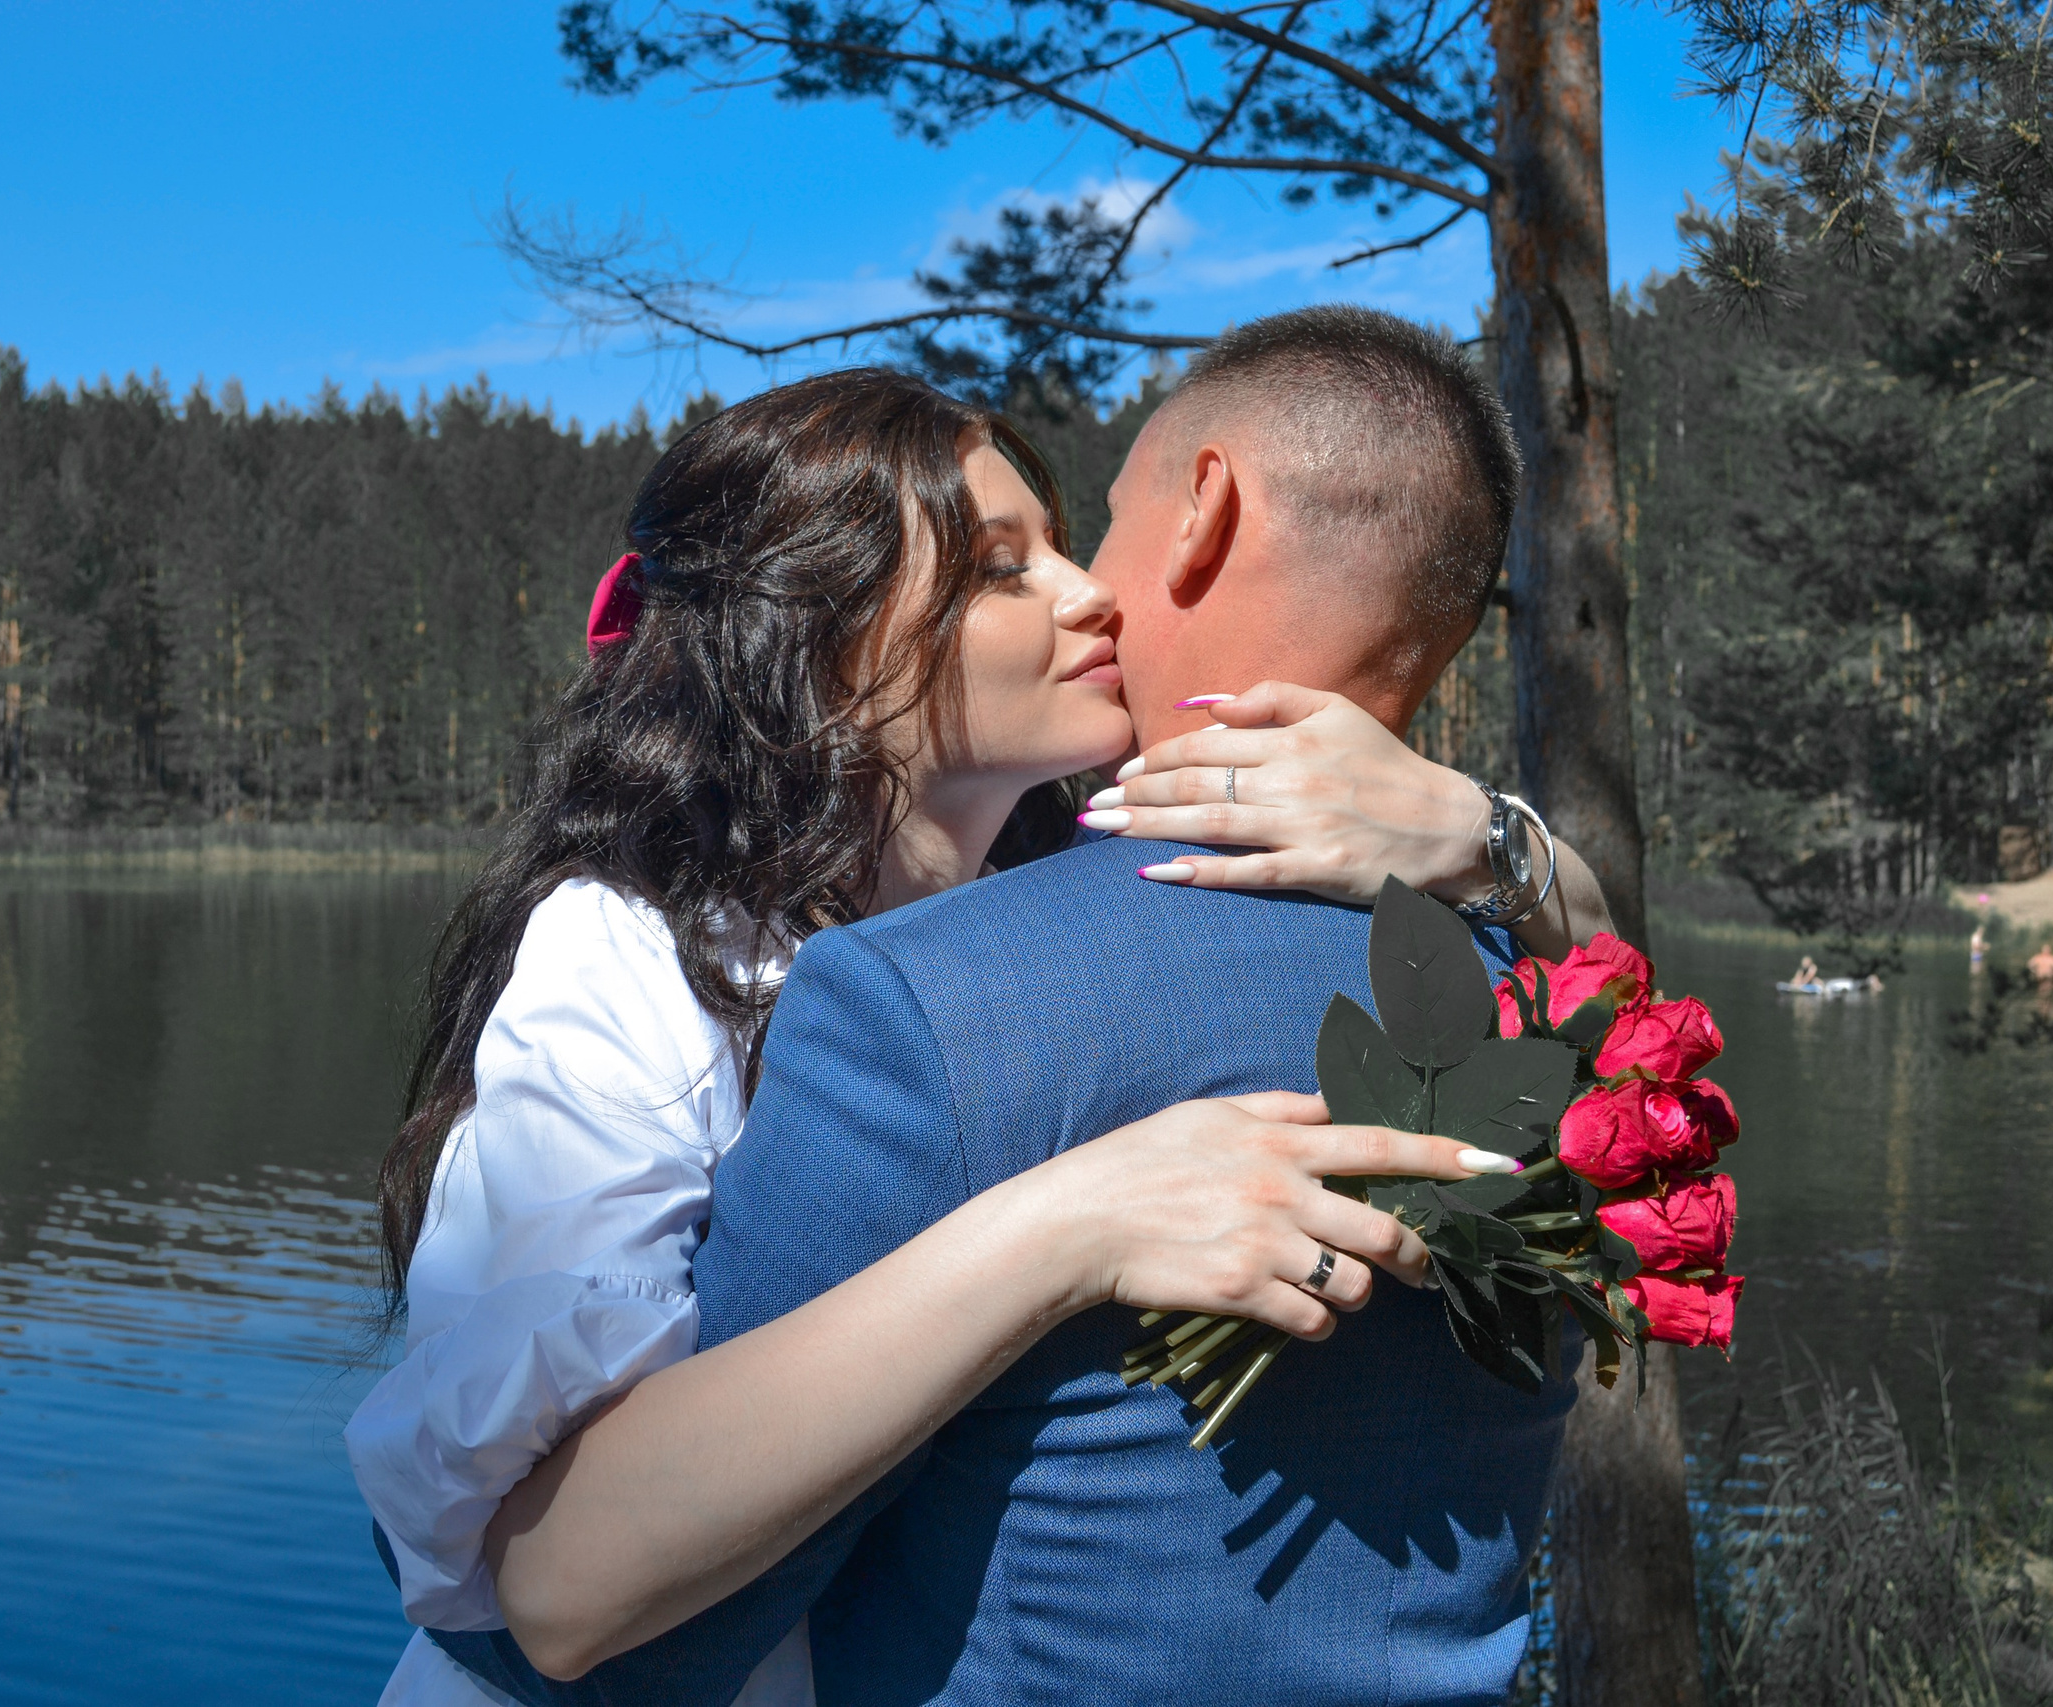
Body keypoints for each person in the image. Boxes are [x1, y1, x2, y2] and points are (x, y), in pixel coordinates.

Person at [345, 364, 1611, 1707]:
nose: (1088, 595)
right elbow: (548, 1584)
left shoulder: (1032, 930)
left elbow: (1603, 972)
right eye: (1006, 567)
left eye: (1068, 541)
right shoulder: (640, 952)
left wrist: (1484, 836)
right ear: (819, 636)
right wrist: (1072, 1224)